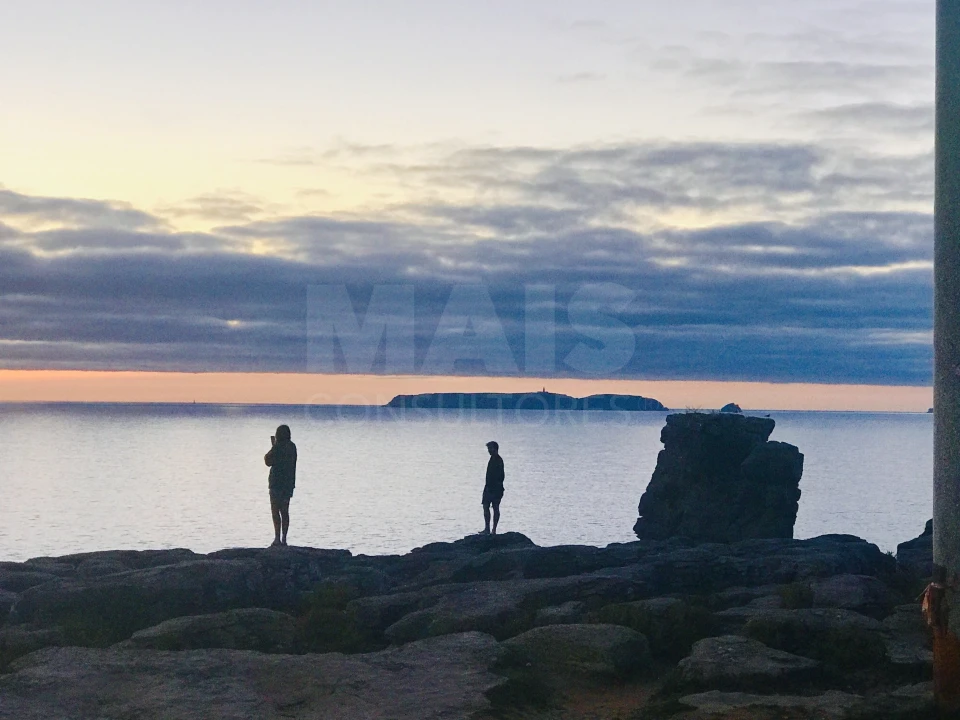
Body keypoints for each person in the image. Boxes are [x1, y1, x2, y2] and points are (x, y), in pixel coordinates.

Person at [264, 424, 297, 547]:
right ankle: (284, 538)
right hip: (288, 484)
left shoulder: (278, 447)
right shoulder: (292, 447)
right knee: (285, 511)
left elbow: (268, 461)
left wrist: (274, 446)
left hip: (276, 483)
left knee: (275, 511)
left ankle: (277, 537)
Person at [482, 441, 505, 535]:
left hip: (496, 489)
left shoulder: (499, 460)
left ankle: (494, 530)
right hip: (488, 487)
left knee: (495, 507)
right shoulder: (492, 459)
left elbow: (501, 476)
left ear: (495, 449)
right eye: (488, 449)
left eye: (490, 448)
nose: (489, 450)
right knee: (485, 506)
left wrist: (496, 487)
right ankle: (487, 528)